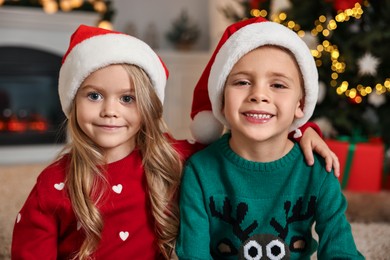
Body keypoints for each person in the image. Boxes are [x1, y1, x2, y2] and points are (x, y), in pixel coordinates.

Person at [11, 25, 338, 260]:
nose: (110, 111)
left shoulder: (174, 158)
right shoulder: (53, 184)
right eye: (94, 95)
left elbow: (248, 145)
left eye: (128, 98)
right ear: (72, 102)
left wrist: (301, 129)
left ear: (149, 107)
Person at [176, 17, 363, 259]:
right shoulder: (199, 171)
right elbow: (194, 254)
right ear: (220, 100)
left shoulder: (316, 170)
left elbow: (341, 251)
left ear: (300, 104)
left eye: (278, 85)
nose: (259, 94)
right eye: (242, 82)